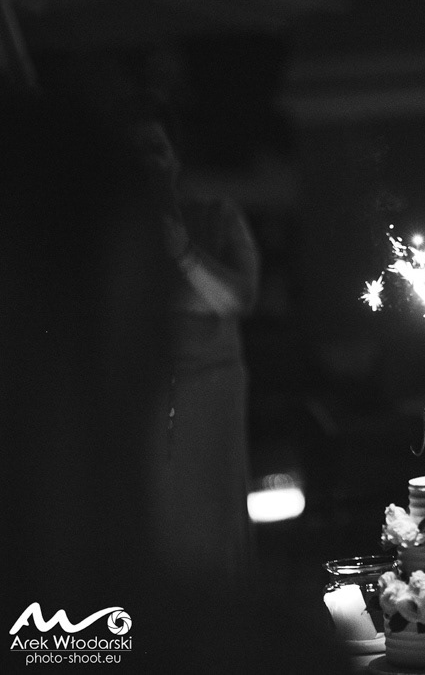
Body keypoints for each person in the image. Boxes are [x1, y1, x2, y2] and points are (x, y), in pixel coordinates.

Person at [122, 93, 262, 586]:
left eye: (156, 149)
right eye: (135, 152)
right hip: (142, 394)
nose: (148, 164)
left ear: (175, 158)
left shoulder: (215, 215)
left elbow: (237, 297)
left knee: (213, 518)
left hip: (211, 386)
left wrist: (182, 252)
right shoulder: (112, 230)